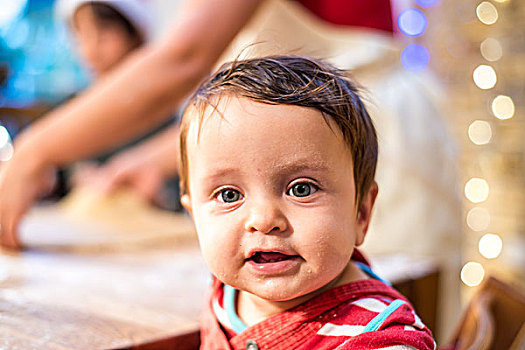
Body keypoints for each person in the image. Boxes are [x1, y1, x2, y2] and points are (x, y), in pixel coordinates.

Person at [179, 55, 435, 349]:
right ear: (195, 217)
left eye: (301, 189)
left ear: (360, 214)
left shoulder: (377, 338)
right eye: (229, 195)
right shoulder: (230, 290)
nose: (263, 219)